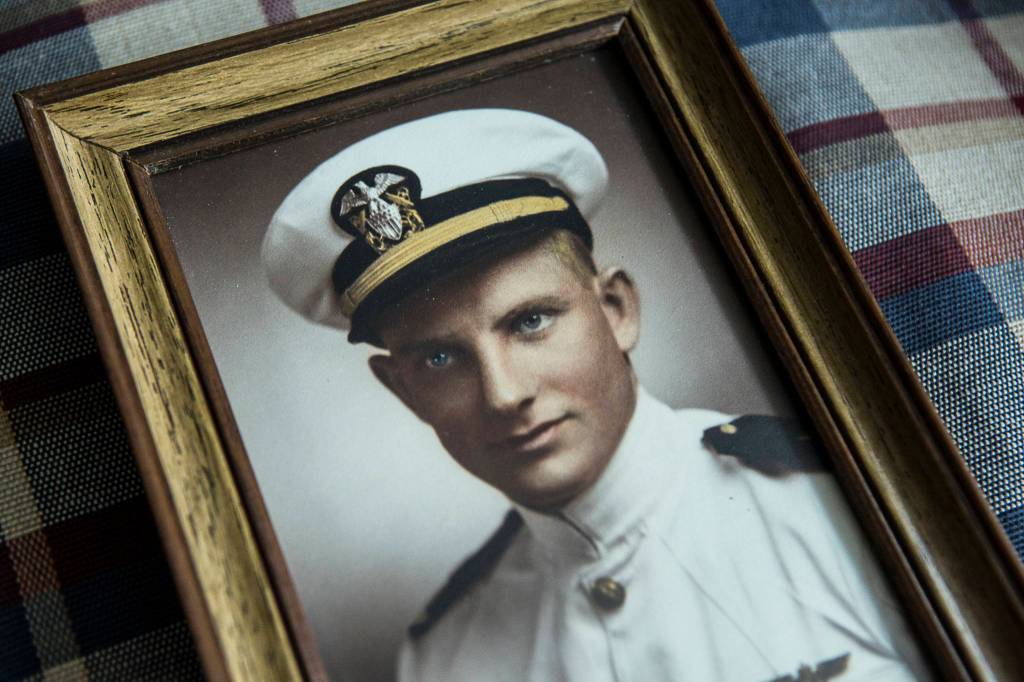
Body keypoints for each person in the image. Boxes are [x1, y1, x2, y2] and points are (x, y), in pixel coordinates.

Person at [262, 109, 931, 681]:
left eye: (530, 322)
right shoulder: (447, 655)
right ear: (403, 390)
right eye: (440, 357)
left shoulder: (838, 508)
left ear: (615, 309)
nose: (503, 394)